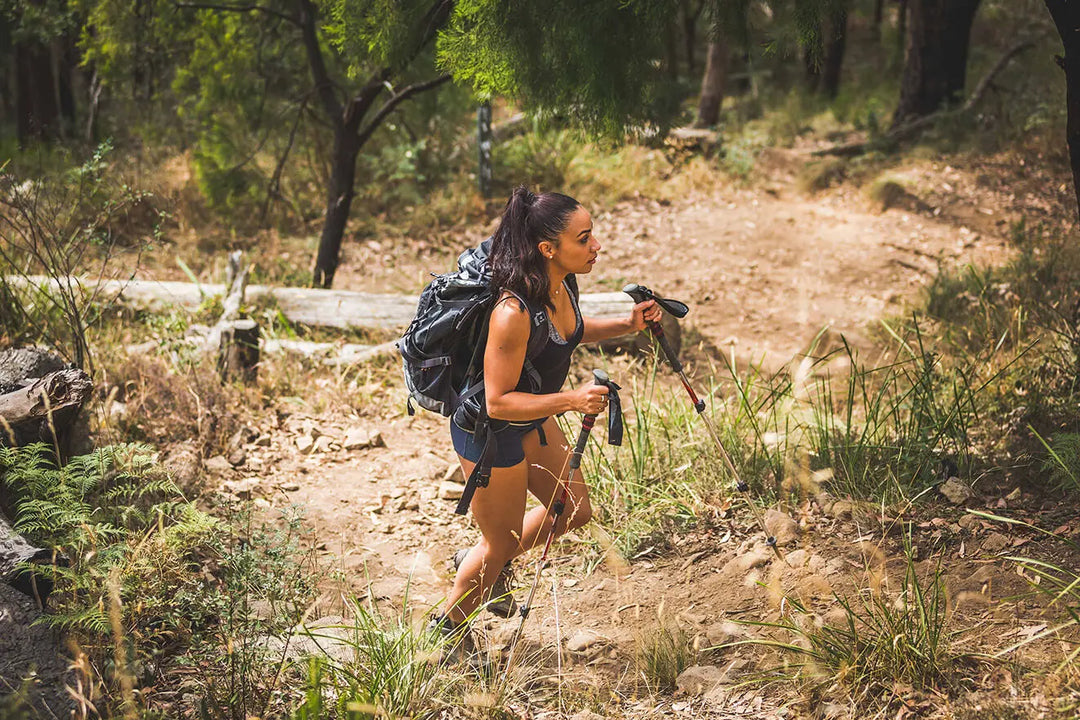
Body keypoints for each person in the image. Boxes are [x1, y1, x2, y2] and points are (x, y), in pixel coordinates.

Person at [436, 186, 661, 637]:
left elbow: (568, 329)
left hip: (531, 418)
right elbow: (497, 400)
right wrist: (572, 400)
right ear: (548, 249)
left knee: (573, 509)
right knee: (501, 543)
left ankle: (480, 560)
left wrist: (627, 324)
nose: (596, 246)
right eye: (585, 238)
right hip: (489, 431)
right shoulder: (513, 311)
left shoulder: (560, 283)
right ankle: (446, 634)